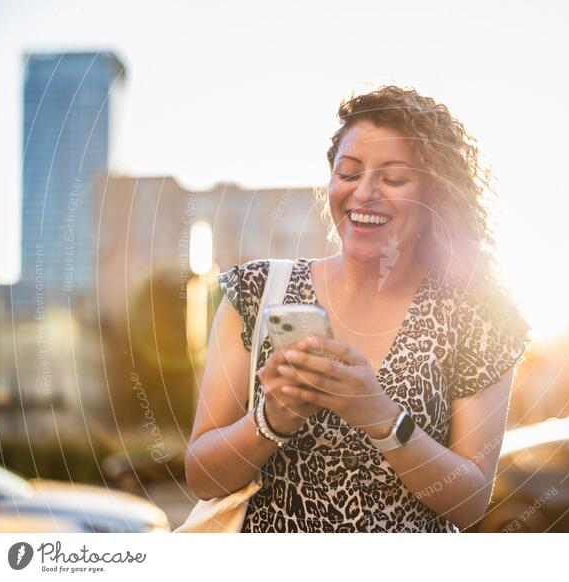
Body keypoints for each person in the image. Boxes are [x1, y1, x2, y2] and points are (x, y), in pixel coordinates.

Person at [185, 85, 531, 532]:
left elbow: (470, 503)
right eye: (348, 173)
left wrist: (379, 415)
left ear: (434, 199)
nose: (364, 193)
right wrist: (270, 420)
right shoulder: (256, 291)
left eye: (393, 179)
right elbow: (201, 477)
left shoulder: (481, 318)